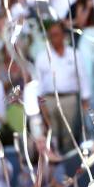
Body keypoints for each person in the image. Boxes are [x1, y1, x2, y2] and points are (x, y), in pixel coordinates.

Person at [34, 21, 90, 153]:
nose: (55, 38)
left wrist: (85, 100)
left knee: (69, 135)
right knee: (52, 135)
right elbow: (38, 84)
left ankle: (68, 164)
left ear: (63, 35)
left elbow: (83, 77)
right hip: (50, 99)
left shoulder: (74, 54)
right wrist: (41, 106)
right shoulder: (42, 57)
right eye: (51, 35)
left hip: (70, 98)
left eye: (57, 34)